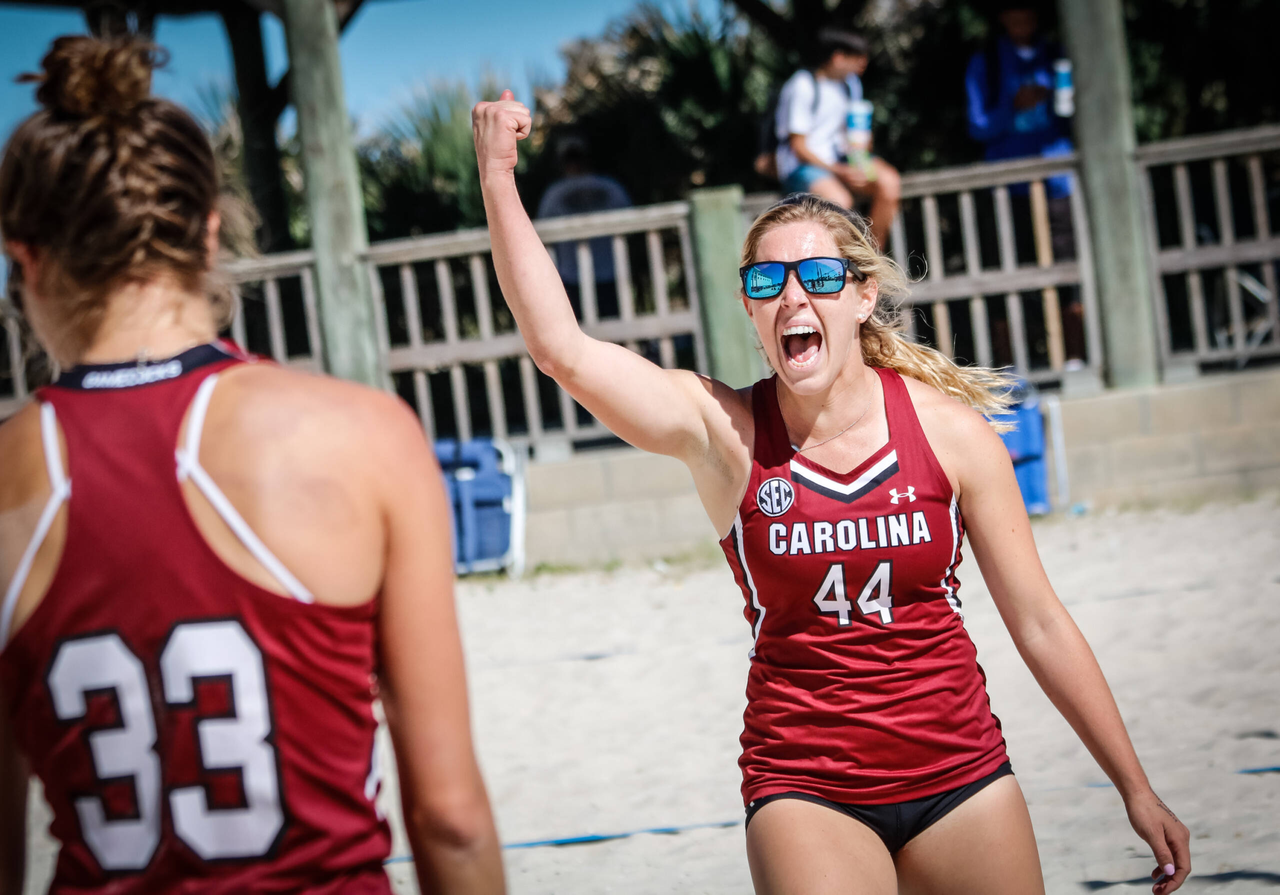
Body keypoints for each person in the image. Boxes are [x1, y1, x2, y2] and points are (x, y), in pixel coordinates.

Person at [473, 92, 1191, 895]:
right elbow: (561, 349)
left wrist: (1134, 783)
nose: (792, 295)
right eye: (767, 279)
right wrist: (498, 175)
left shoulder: (949, 435)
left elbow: (1039, 620)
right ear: (750, 306)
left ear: (860, 295)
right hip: (806, 785)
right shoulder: (728, 433)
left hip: (961, 771)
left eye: (817, 274)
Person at [0, 37, 504, 894]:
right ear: (207, 231)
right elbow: (449, 818)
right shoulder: (363, 434)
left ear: (26, 261)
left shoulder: (15, 469)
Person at [773, 28, 901, 247]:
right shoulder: (802, 86)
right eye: (858, 57)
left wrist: (861, 154)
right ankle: (844, 267)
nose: (864, 63)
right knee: (840, 202)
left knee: (889, 182)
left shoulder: (851, 85)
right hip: (803, 166)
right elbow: (798, 147)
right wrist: (839, 171)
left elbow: (853, 135)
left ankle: (872, 259)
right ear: (838, 57)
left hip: (841, 160)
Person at [536, 135, 631, 320]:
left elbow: (541, 232)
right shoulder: (611, 187)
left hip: (573, 275)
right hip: (609, 270)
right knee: (615, 330)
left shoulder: (553, 194)